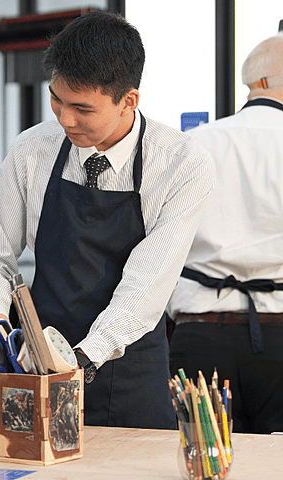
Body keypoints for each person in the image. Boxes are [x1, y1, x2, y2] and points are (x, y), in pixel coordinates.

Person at [0, 11, 214, 429]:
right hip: (39, 365)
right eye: (56, 100)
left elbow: (145, 286)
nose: (65, 120)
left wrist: (81, 361)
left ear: (128, 101)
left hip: (128, 369)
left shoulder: (181, 164)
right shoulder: (32, 150)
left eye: (82, 108)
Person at [167, 33, 283, 434]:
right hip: (281, 335)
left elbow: (156, 242)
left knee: (202, 460)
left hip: (199, 334)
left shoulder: (193, 145)